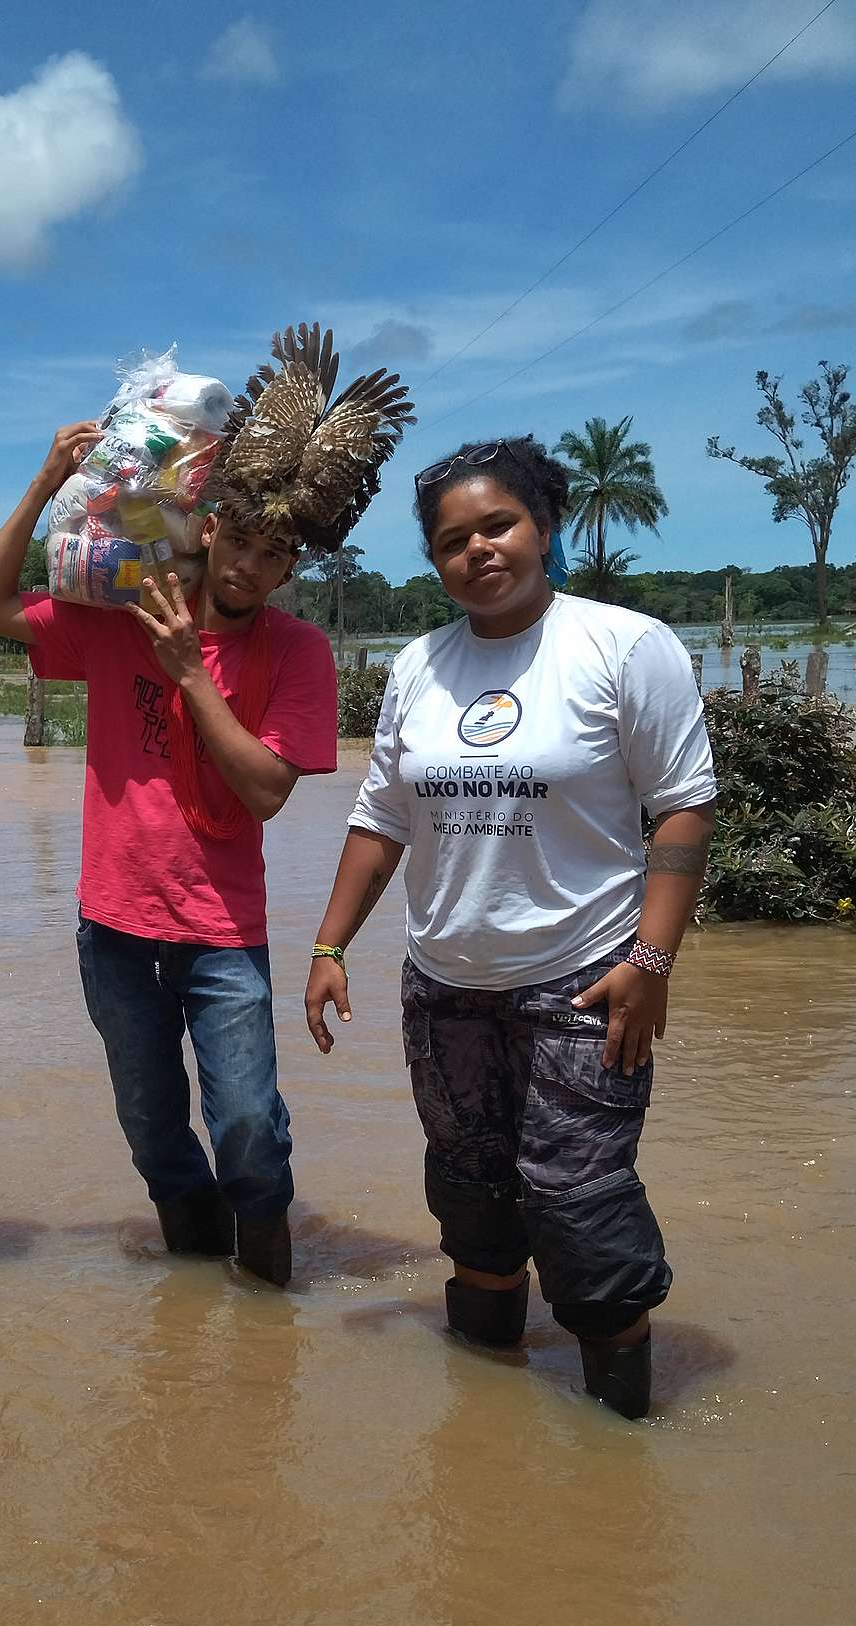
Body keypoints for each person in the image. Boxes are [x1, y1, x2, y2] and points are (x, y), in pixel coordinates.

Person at [0, 325, 413, 1287]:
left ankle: (268, 1301)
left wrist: (190, 676)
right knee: (154, 1129)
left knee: (249, 1123)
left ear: (293, 567)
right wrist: (44, 485)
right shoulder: (126, 612)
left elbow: (268, 791)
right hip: (113, 925)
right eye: (240, 540)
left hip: (219, 931)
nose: (251, 566)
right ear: (208, 528)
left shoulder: (296, 652)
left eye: (274, 554)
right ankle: (202, 1308)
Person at [302, 436, 716, 1418]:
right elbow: (381, 818)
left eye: (499, 525)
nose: (479, 550)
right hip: (443, 985)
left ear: (542, 527)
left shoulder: (622, 647)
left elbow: (684, 807)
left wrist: (650, 961)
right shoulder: (418, 665)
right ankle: (486, 1445)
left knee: (581, 1212)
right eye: (453, 540)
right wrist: (328, 947)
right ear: (434, 560)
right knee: (473, 1200)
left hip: (583, 976)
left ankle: (622, 1444)